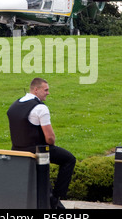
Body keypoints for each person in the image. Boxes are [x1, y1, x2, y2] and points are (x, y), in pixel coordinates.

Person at [7, 78, 76, 209]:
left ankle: (52, 200)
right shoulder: (40, 108)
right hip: (37, 151)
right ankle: (56, 197)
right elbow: (50, 138)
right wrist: (52, 144)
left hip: (16, 150)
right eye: (46, 90)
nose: (48, 93)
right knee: (69, 159)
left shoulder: (14, 105)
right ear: (36, 89)